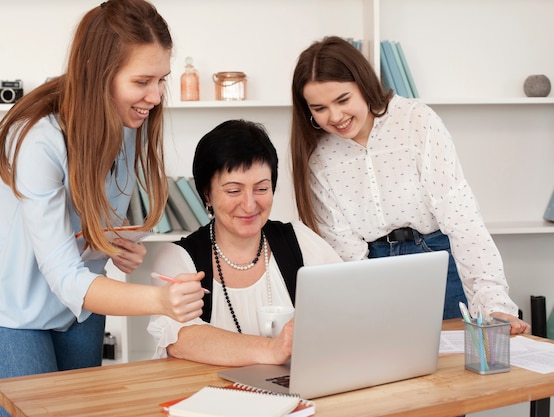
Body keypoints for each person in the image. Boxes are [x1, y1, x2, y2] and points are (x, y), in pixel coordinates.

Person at [0, 2, 205, 416]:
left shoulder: (126, 120)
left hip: (79, 306)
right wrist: (161, 301)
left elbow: (102, 208)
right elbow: (65, 276)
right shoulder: (38, 140)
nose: (156, 97)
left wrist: (116, 240)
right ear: (96, 72)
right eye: (142, 81)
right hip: (10, 306)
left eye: (162, 80)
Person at [289, 35, 530, 334]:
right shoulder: (320, 159)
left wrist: (494, 304)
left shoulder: (416, 121)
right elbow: (345, 252)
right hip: (373, 272)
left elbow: (462, 219)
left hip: (440, 262)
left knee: (458, 369)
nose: (335, 117)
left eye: (342, 100)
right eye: (319, 108)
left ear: (363, 84)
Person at [147, 119, 343, 366]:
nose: (250, 205)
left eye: (261, 188)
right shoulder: (179, 257)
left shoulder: (301, 241)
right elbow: (181, 339)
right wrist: (271, 349)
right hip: (206, 396)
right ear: (207, 194)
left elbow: (347, 307)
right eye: (233, 191)